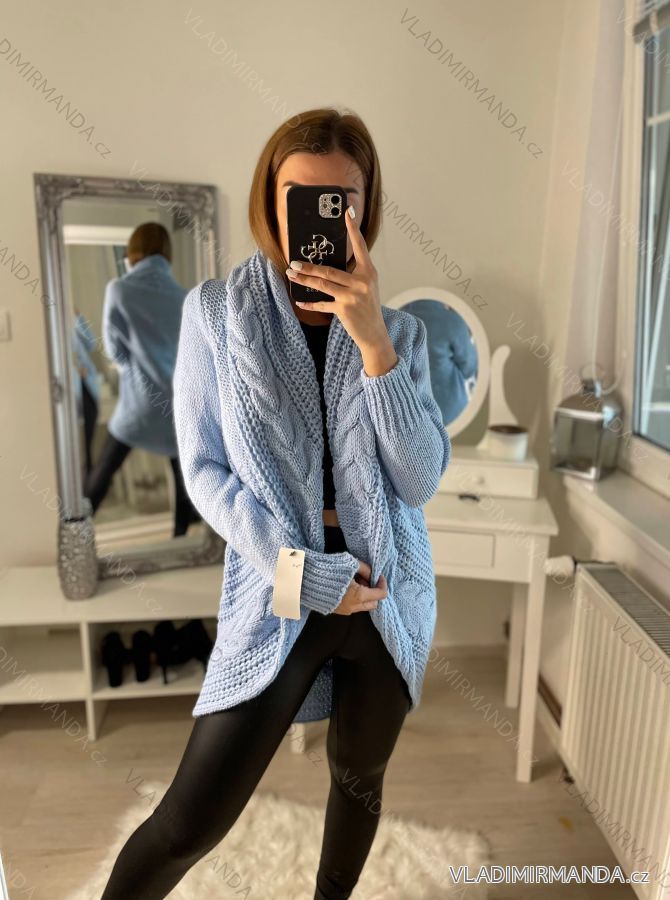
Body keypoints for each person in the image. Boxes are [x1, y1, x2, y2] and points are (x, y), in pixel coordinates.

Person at [100, 107, 450, 900]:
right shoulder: (214, 315)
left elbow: (419, 482)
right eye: (303, 197)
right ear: (271, 199)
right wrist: (303, 573)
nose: (325, 218)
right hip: (280, 588)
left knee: (358, 780)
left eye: (343, 199)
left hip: (387, 597)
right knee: (188, 821)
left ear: (366, 206)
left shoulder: (400, 333)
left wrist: (375, 344)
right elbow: (206, 472)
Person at [83, 223, 201, 536]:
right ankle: (181, 541)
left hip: (140, 402)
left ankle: (75, 537)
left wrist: (136, 366)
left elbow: (114, 351)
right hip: (177, 404)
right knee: (184, 479)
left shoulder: (119, 290)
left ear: (134, 251)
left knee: (105, 469)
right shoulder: (184, 297)